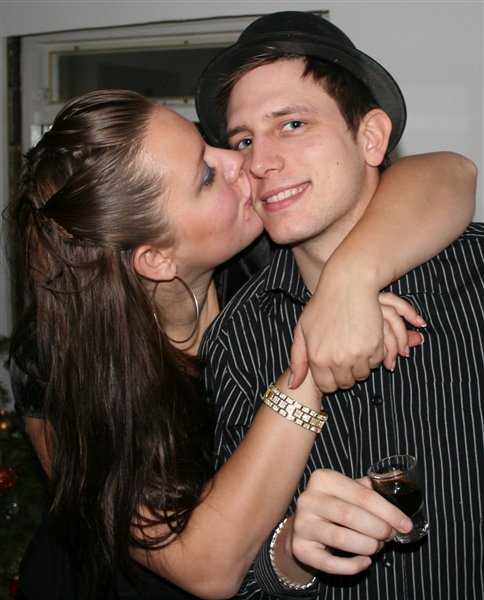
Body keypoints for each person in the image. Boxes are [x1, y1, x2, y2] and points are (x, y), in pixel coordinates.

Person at [6, 85, 475, 600]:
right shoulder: (59, 357)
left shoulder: (260, 260)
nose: (239, 160)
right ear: (156, 259)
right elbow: (205, 565)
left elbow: (449, 172)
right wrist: (309, 363)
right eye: (206, 175)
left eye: (210, 143)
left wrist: (349, 281)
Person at [196, 10, 483, 600]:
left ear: (370, 137)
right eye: (243, 140)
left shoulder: (475, 278)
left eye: (293, 124)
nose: (259, 161)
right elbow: (242, 574)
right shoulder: (238, 337)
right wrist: (291, 552)